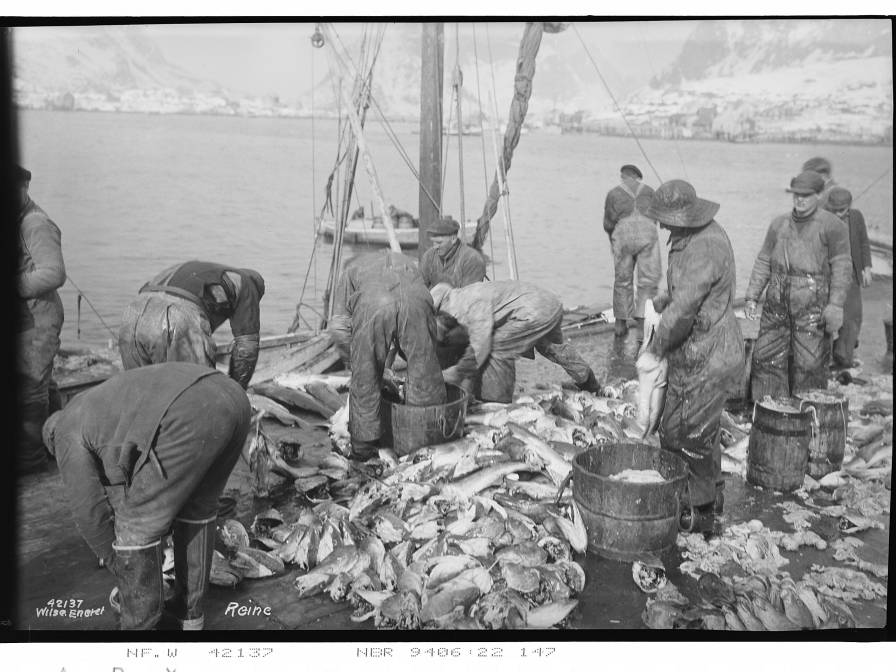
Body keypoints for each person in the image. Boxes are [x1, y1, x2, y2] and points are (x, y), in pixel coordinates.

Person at [41, 362, 252, 630]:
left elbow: (89, 512)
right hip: (232, 396)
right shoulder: (93, 406)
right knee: (198, 510)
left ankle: (141, 625)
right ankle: (189, 616)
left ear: (52, 439)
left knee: (134, 528)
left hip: (188, 412)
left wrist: (121, 565)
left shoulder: (64, 433)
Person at [637, 180, 744, 533]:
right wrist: (666, 302)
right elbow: (689, 296)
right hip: (705, 346)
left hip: (708, 353)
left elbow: (684, 312)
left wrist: (655, 347)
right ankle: (710, 500)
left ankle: (696, 513)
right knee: (700, 429)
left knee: (685, 434)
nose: (662, 225)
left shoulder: (704, 247)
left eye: (666, 219)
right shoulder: (696, 235)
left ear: (683, 217)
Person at [328, 250, 446, 460]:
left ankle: (363, 451)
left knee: (365, 380)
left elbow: (338, 326)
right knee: (424, 371)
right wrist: (407, 353)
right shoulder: (408, 262)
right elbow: (413, 314)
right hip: (418, 300)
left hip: (374, 304)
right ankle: (427, 442)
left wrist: (353, 361)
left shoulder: (349, 271)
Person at [745, 171, 852, 399]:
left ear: (819, 194)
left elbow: (842, 266)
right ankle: (769, 411)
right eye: (796, 195)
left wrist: (836, 304)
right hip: (776, 306)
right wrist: (752, 296)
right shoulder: (778, 224)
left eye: (806, 195)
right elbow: (764, 260)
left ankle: (807, 417)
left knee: (810, 365)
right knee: (765, 358)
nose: (799, 200)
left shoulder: (833, 226)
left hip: (813, 308)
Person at [430, 280, 601, 403]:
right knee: (554, 349)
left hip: (532, 312)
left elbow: (481, 346)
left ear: (442, 305)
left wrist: (457, 372)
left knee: (497, 347)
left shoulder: (465, 303)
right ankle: (590, 383)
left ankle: (497, 402)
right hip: (549, 303)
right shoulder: (466, 292)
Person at [118, 260, 265, 389]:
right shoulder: (247, 283)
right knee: (198, 395)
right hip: (177, 315)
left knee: (140, 392)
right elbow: (247, 349)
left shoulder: (203, 271)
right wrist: (235, 391)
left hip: (133, 313)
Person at [17, 164, 66, 475]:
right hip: (25, 316)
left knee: (31, 387)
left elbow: (54, 273)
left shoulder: (35, 223)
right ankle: (57, 444)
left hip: (40, 317)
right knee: (42, 381)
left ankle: (32, 460)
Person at [603, 164, 661, 338]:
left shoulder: (613, 193)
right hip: (647, 235)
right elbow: (656, 217)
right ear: (638, 177)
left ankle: (620, 323)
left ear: (623, 176)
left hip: (623, 236)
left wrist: (613, 242)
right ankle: (643, 320)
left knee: (622, 280)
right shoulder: (650, 191)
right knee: (648, 281)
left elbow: (608, 223)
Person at [824, 187, 872, 368]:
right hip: (830, 275)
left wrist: (867, 268)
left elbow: (864, 242)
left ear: (849, 207)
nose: (837, 214)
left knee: (853, 317)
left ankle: (844, 357)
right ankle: (825, 359)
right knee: (827, 318)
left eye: (841, 211)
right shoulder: (823, 219)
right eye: (834, 210)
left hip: (851, 274)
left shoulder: (857, 217)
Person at [419, 215, 486, 289]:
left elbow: (470, 296)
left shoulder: (472, 259)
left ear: (453, 239)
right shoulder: (429, 256)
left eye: (439, 242)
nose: (435, 247)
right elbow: (420, 288)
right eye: (433, 242)